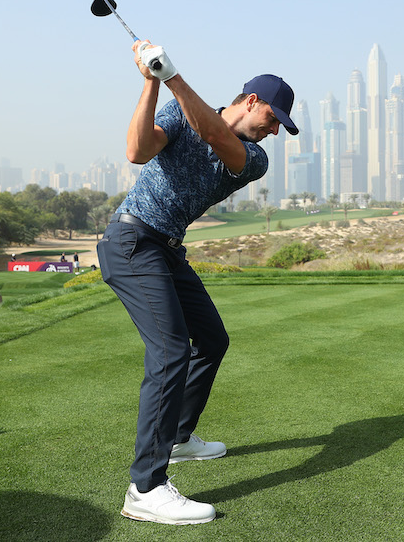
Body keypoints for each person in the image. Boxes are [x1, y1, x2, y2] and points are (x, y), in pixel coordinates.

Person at [97, 38, 298, 526]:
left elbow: (215, 137)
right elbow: (137, 151)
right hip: (132, 242)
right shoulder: (176, 107)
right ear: (252, 101)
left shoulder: (253, 159)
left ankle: (180, 438)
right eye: (272, 119)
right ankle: (146, 488)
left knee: (211, 339)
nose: (273, 131)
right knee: (169, 351)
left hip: (167, 249)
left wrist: (172, 76)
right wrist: (151, 82)